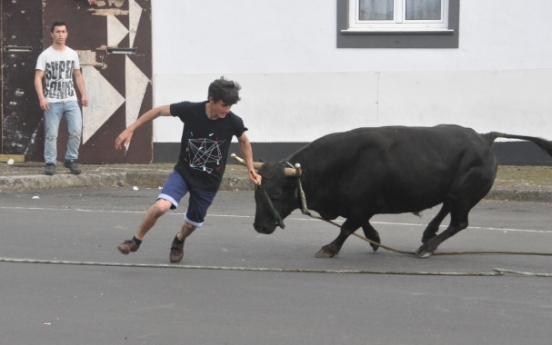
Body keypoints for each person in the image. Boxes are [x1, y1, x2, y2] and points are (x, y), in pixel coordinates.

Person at [115, 77, 262, 263]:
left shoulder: (233, 121)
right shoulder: (191, 110)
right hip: (183, 173)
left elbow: (244, 141)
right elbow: (159, 111)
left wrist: (250, 168)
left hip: (209, 182)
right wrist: (131, 129)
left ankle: (179, 240)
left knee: (190, 225)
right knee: (161, 207)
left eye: (230, 106)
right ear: (211, 99)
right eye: (224, 105)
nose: (227, 110)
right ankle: (135, 241)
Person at [34, 21, 88, 176]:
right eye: (57, 31)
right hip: (52, 100)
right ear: (52, 34)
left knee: (76, 130)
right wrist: (42, 98)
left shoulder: (72, 54)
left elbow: (77, 75)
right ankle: (50, 162)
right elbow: (38, 77)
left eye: (63, 31)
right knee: (52, 134)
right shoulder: (45, 55)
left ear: (67, 34)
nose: (60, 35)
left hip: (70, 99)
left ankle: (71, 159)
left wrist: (83, 94)